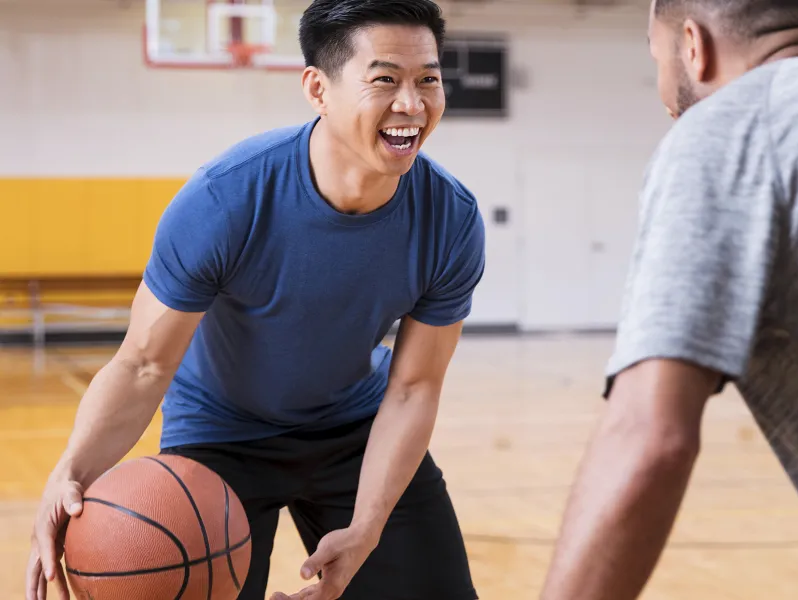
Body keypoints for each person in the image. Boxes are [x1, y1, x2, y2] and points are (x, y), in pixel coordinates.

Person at [25, 1, 485, 599]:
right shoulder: (225, 199)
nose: (412, 104)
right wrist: (71, 473)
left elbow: (413, 387)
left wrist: (367, 528)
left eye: (428, 78)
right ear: (318, 88)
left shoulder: (450, 217)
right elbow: (144, 363)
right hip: (222, 433)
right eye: (385, 79)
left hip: (355, 428)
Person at [539, 1, 798, 599]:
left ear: (692, 45)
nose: (664, 92)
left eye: (657, 58)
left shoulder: (731, 127)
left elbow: (648, 438)